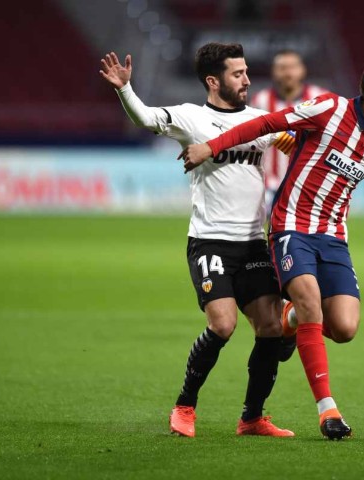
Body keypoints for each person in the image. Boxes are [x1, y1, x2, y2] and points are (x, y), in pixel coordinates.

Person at [178, 53, 364, 439]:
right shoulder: (328, 109)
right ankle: (328, 412)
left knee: (344, 327)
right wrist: (212, 146)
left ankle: (290, 320)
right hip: (290, 227)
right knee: (310, 299)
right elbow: (266, 122)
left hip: (334, 238)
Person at [98, 43, 298, 438]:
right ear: (213, 80)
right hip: (210, 242)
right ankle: (184, 406)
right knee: (222, 325)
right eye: (238, 74)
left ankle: (252, 418)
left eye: (245, 72)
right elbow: (146, 117)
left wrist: (292, 141)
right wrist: (125, 89)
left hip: (253, 243)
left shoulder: (262, 121)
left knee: (271, 328)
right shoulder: (192, 118)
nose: (247, 80)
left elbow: (296, 140)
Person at [250, 50, 329, 211]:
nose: (288, 73)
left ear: (302, 70)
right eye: (282, 68)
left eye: (292, 67)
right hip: (268, 185)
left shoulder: (320, 99)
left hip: (308, 185)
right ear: (274, 71)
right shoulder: (260, 101)